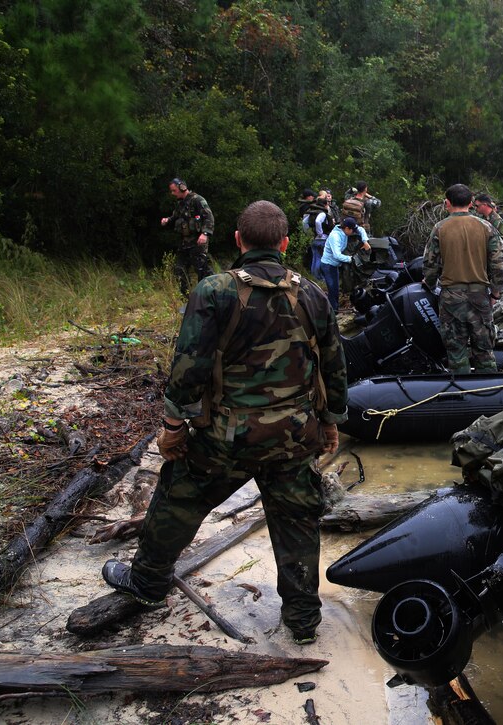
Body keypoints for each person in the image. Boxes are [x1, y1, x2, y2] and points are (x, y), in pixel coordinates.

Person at [102, 200, 349, 645]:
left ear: (237, 240)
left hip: (224, 437)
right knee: (297, 521)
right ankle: (303, 619)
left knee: (178, 499)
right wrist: (331, 422)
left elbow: (188, 365)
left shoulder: (213, 291)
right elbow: (333, 363)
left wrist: (174, 425)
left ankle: (148, 582)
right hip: (294, 436)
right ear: (286, 243)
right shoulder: (313, 293)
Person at [423, 184, 503, 374]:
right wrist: (496, 293)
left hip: (451, 298)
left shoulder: (439, 228)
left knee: (456, 353)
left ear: (447, 203)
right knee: (484, 351)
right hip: (480, 296)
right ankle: (489, 393)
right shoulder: (487, 227)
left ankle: (462, 392)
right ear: (470, 203)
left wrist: (429, 282)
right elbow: (499, 264)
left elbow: (430, 263)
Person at [161, 178, 215, 296]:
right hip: (184, 243)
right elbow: (175, 216)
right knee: (180, 270)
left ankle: (210, 297)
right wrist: (167, 220)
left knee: (203, 271)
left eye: (174, 190)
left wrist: (205, 233)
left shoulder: (197, 200)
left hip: (198, 242)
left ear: (182, 187)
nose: (173, 193)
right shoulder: (180, 204)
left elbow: (209, 217)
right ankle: (186, 299)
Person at [322, 216, 371, 312]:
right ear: (347, 228)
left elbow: (360, 229)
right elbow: (337, 255)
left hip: (335, 265)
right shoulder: (335, 236)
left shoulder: (346, 229)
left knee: (335, 289)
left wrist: (365, 241)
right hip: (328, 265)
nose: (354, 232)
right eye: (352, 230)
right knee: (333, 289)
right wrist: (351, 259)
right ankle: (333, 311)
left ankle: (334, 308)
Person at [302, 190, 333, 281]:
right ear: (324, 205)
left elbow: (304, 222)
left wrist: (308, 233)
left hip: (314, 238)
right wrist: (320, 233)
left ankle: (313, 277)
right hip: (322, 238)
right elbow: (318, 221)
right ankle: (319, 278)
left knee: (315, 258)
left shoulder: (310, 212)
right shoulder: (322, 213)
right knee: (320, 258)